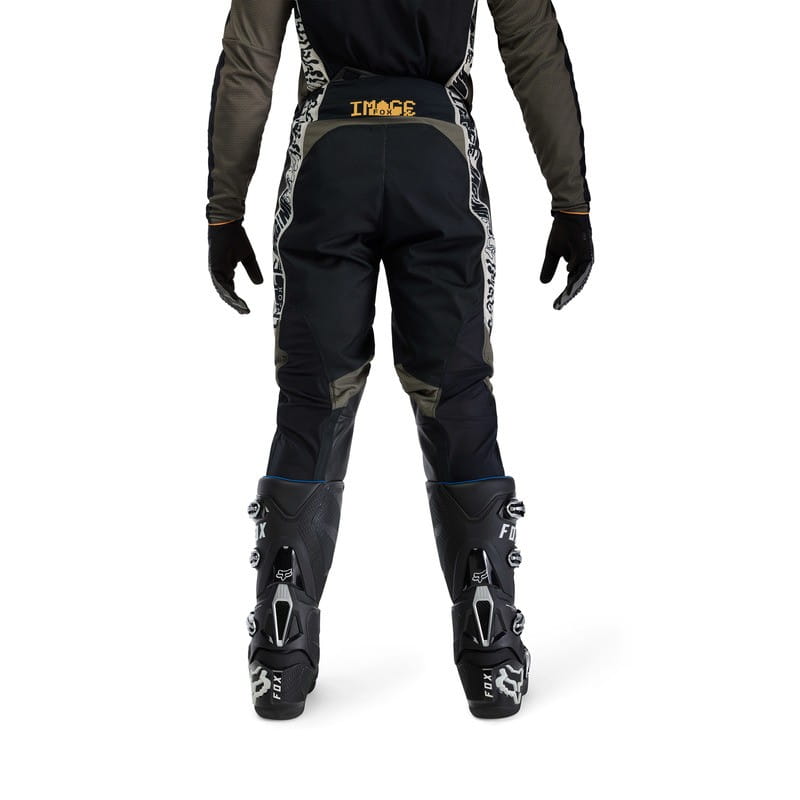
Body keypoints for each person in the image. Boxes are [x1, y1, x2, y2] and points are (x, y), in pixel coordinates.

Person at [207, 0, 594, 720]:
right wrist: (569, 200)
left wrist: (224, 210)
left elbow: (249, 59)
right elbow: (533, 45)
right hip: (437, 154)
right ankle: (490, 653)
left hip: (328, 157)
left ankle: (281, 653)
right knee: (457, 397)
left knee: (313, 400)